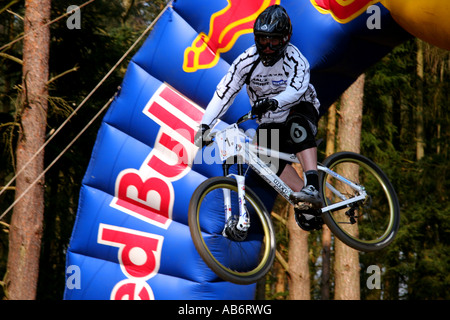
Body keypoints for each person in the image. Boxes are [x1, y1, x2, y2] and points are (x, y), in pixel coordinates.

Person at [195, 5, 322, 208]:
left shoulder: (295, 58)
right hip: (271, 119)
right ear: (256, 38)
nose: (268, 46)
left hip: (300, 106)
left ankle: (313, 185)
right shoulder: (246, 61)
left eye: (274, 40)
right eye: (263, 39)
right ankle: (305, 200)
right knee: (263, 154)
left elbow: (298, 88)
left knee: (296, 124)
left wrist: (275, 101)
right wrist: (205, 126)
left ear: (286, 38)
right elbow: (224, 92)